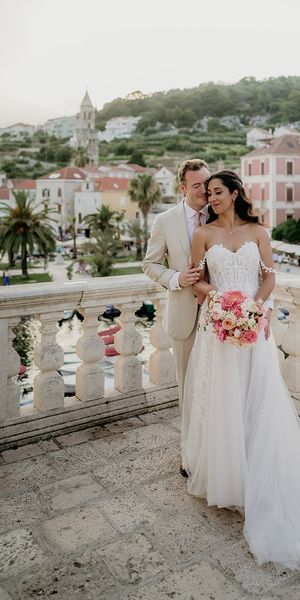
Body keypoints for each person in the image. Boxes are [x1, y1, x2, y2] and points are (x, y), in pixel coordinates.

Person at [181, 170, 300, 569]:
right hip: (219, 327)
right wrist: (219, 299)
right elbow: (196, 281)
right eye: (208, 193)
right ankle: (230, 474)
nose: (211, 198)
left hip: (253, 325)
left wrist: (254, 307)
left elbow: (269, 275)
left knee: (257, 394)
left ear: (235, 193)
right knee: (223, 397)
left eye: (217, 192)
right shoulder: (203, 235)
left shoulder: (257, 231)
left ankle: (259, 468)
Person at [143, 158, 210, 407]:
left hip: (221, 314)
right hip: (184, 316)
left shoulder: (221, 216)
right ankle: (190, 441)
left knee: (218, 383)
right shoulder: (165, 221)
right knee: (188, 385)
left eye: (207, 183)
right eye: (196, 186)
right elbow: (150, 264)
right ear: (183, 188)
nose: (204, 190)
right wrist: (176, 278)